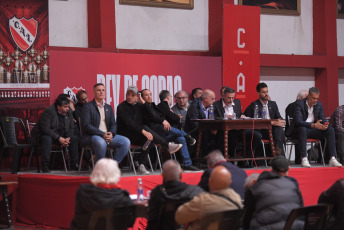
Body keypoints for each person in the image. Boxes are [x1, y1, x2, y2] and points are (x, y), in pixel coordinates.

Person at [116, 86, 184, 174]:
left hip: (137, 134)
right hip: (125, 135)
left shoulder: (140, 106)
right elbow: (130, 123)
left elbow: (151, 116)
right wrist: (143, 131)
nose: (129, 97)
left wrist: (162, 120)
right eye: (127, 94)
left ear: (137, 96)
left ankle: (141, 164)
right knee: (145, 129)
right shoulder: (121, 107)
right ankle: (167, 145)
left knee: (148, 138)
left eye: (132, 95)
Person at [140, 89, 199, 171]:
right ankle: (186, 135)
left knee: (180, 139)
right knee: (162, 126)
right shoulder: (141, 107)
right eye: (146, 95)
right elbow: (154, 117)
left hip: (163, 135)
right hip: (151, 134)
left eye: (150, 94)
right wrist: (164, 120)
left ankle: (187, 164)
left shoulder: (154, 105)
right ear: (141, 97)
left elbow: (163, 116)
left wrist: (172, 115)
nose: (149, 96)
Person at [70, 158, 134, 230]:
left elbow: (78, 218)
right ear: (117, 174)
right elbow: (130, 223)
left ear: (95, 172)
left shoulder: (83, 191)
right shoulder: (123, 198)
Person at [243, 155, 304, 230]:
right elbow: (301, 212)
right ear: (289, 168)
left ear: (271, 169)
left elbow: (247, 216)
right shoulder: (293, 185)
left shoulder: (256, 187)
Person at [175, 166, 242, 230]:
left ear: (210, 182)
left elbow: (179, 217)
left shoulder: (202, 201)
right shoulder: (237, 198)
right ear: (230, 183)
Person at [290, 87, 342, 168]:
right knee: (302, 129)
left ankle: (332, 158)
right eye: (313, 98)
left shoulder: (319, 104)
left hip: (312, 129)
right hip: (299, 130)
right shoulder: (299, 104)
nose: (315, 100)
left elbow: (322, 118)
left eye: (317, 98)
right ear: (308, 96)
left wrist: (325, 124)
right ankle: (304, 158)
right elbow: (298, 121)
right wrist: (313, 125)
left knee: (330, 130)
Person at [146, 160, 204, 230]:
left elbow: (152, 221)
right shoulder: (195, 192)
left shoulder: (156, 193)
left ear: (162, 175)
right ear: (181, 173)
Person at [81, 83, 130, 163]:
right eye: (98, 90)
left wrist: (112, 134)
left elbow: (113, 124)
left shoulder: (108, 107)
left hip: (107, 135)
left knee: (126, 142)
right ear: (94, 92)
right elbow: (86, 125)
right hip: (92, 136)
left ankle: (112, 166)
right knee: (101, 143)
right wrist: (102, 134)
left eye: (103, 90)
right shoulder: (87, 107)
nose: (101, 92)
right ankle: (100, 169)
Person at [31, 95, 79, 173]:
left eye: (68, 106)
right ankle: (45, 165)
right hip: (42, 136)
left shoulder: (69, 111)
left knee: (74, 138)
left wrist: (67, 138)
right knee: (47, 138)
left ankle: (74, 164)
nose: (67, 109)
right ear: (58, 107)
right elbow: (45, 129)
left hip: (61, 136)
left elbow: (71, 127)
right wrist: (59, 138)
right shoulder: (49, 111)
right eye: (65, 107)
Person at [213, 87, 262, 158]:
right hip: (224, 130)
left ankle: (245, 159)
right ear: (223, 96)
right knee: (232, 137)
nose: (231, 100)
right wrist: (227, 117)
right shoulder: (216, 105)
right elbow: (214, 118)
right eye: (229, 98)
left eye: (233, 97)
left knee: (257, 136)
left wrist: (242, 116)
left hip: (239, 129)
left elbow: (239, 114)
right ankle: (230, 158)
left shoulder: (237, 102)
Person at [244, 82, 286, 155]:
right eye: (263, 92)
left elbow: (278, 116)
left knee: (279, 129)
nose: (266, 94)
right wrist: (271, 123)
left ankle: (277, 151)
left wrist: (281, 121)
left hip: (273, 130)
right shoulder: (254, 105)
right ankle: (279, 155)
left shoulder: (273, 104)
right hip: (262, 131)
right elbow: (257, 121)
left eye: (267, 91)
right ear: (258, 93)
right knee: (279, 132)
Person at [285, 89, 308, 164]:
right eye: (306, 98)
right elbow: (294, 122)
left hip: (304, 128)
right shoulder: (292, 106)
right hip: (293, 130)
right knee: (301, 130)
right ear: (301, 98)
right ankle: (301, 158)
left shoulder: (307, 106)